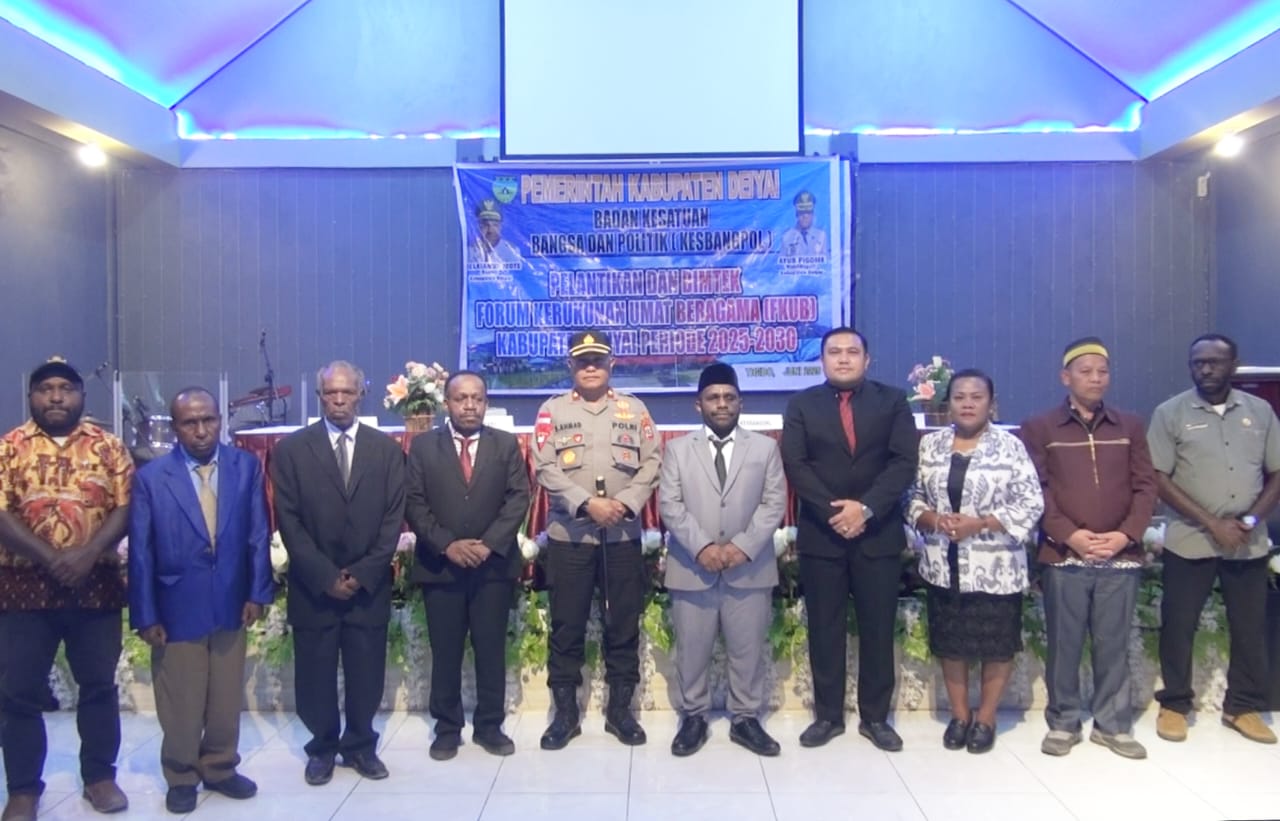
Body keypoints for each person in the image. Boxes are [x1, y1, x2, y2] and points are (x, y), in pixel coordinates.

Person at [128, 387, 275, 813]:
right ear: (175, 427)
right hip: (177, 603)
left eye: (208, 420)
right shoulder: (152, 478)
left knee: (226, 695)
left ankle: (220, 766)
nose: (201, 430)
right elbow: (141, 552)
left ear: (220, 421)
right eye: (190, 423)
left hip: (231, 598)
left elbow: (257, 534)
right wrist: (146, 614)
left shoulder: (244, 466)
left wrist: (257, 592)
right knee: (182, 697)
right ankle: (181, 774)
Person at [0, 358, 133, 819]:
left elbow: (125, 508)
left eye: (66, 388)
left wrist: (87, 553)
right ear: (31, 396)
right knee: (18, 692)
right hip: (23, 590)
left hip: (94, 587)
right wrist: (51, 557)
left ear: (81, 395)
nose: (56, 396)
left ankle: (99, 778)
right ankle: (22, 789)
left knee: (97, 687)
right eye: (46, 389)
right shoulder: (8, 448)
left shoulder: (108, 446)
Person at [780, 327, 918, 751]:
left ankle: (875, 718)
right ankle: (828, 717)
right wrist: (836, 513)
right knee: (825, 628)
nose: (843, 358)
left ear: (867, 359)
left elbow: (903, 462)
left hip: (878, 533)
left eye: (852, 352)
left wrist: (866, 508)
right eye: (834, 352)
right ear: (822, 360)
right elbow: (796, 464)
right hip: (823, 536)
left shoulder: (893, 401)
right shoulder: (802, 404)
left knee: (878, 628)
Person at [1020, 338, 1157, 759]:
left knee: (1113, 643)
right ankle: (1064, 722)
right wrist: (1071, 535)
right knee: (1065, 642)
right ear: (1066, 377)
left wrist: (1125, 535)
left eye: (1102, 371)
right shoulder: (1041, 427)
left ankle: (1112, 725)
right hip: (1065, 554)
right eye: (1086, 371)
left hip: (1120, 554)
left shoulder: (1130, 426)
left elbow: (1146, 486)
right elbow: (1037, 491)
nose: (1096, 378)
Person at [270, 361, 406, 783]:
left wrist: (363, 572)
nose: (340, 400)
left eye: (347, 392)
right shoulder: (292, 450)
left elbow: (393, 520)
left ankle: (361, 746)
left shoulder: (385, 450)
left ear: (361, 395)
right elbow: (288, 520)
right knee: (315, 674)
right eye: (332, 393)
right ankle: (323, 748)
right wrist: (325, 576)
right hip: (315, 587)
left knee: (367, 674)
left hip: (368, 587)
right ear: (320, 397)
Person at [1147, 333, 1280, 744]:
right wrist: (1212, 523)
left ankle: (1242, 707)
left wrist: (1250, 519)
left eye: (1214, 362)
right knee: (1178, 625)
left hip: (1247, 542)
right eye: (1198, 362)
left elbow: (1277, 472)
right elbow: (1158, 478)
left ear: (1233, 365)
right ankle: (1175, 704)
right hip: (1190, 540)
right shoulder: (1170, 412)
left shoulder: (1260, 412)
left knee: (1249, 627)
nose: (1205, 369)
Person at [533, 329, 661, 749]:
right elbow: (545, 467)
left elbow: (652, 462)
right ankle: (565, 716)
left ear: (612, 364)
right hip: (570, 537)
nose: (591, 367)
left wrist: (624, 503)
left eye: (598, 361)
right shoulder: (552, 411)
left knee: (622, 623)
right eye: (583, 361)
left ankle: (620, 713)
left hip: (621, 535)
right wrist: (587, 504)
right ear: (570, 365)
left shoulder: (634, 409)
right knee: (566, 626)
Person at [908, 369, 1043, 753]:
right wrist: (934, 519)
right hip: (943, 563)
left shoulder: (1010, 446)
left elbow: (1031, 502)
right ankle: (960, 715)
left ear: (991, 404)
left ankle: (985, 718)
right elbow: (911, 496)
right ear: (948, 404)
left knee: (997, 644)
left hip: (996, 565)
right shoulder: (930, 445)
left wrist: (980, 524)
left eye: (976, 397)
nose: (967, 404)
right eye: (960, 397)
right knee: (950, 643)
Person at [659, 363, 787, 757]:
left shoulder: (764, 448)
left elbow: (774, 503)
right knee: (692, 651)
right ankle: (693, 717)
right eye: (713, 398)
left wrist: (741, 548)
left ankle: (745, 719)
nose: (722, 404)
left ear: (740, 403)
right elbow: (670, 504)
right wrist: (702, 547)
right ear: (698, 405)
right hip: (692, 566)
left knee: (747, 651)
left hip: (748, 567)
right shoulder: (677, 449)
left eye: (729, 397)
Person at [404, 370, 531, 761]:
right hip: (440, 566)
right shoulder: (423, 447)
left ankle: (490, 726)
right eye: (461, 398)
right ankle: (447, 728)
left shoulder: (505, 445)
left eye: (477, 398)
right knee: (445, 651)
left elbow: (518, 498)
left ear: (486, 403)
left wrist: (489, 544)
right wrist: (447, 545)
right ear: (447, 403)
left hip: (492, 567)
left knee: (491, 648)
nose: (470, 405)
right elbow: (414, 502)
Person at [468, 199, 523, 265]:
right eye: (485, 225)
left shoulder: (512, 251)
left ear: (501, 226)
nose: (490, 230)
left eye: (495, 225)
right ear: (478, 226)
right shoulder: (469, 252)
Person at [780, 190, 827, 257]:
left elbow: (826, 261)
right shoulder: (786, 237)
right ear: (796, 214)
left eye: (808, 212)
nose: (805, 216)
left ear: (813, 214)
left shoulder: (821, 236)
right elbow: (782, 261)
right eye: (802, 212)